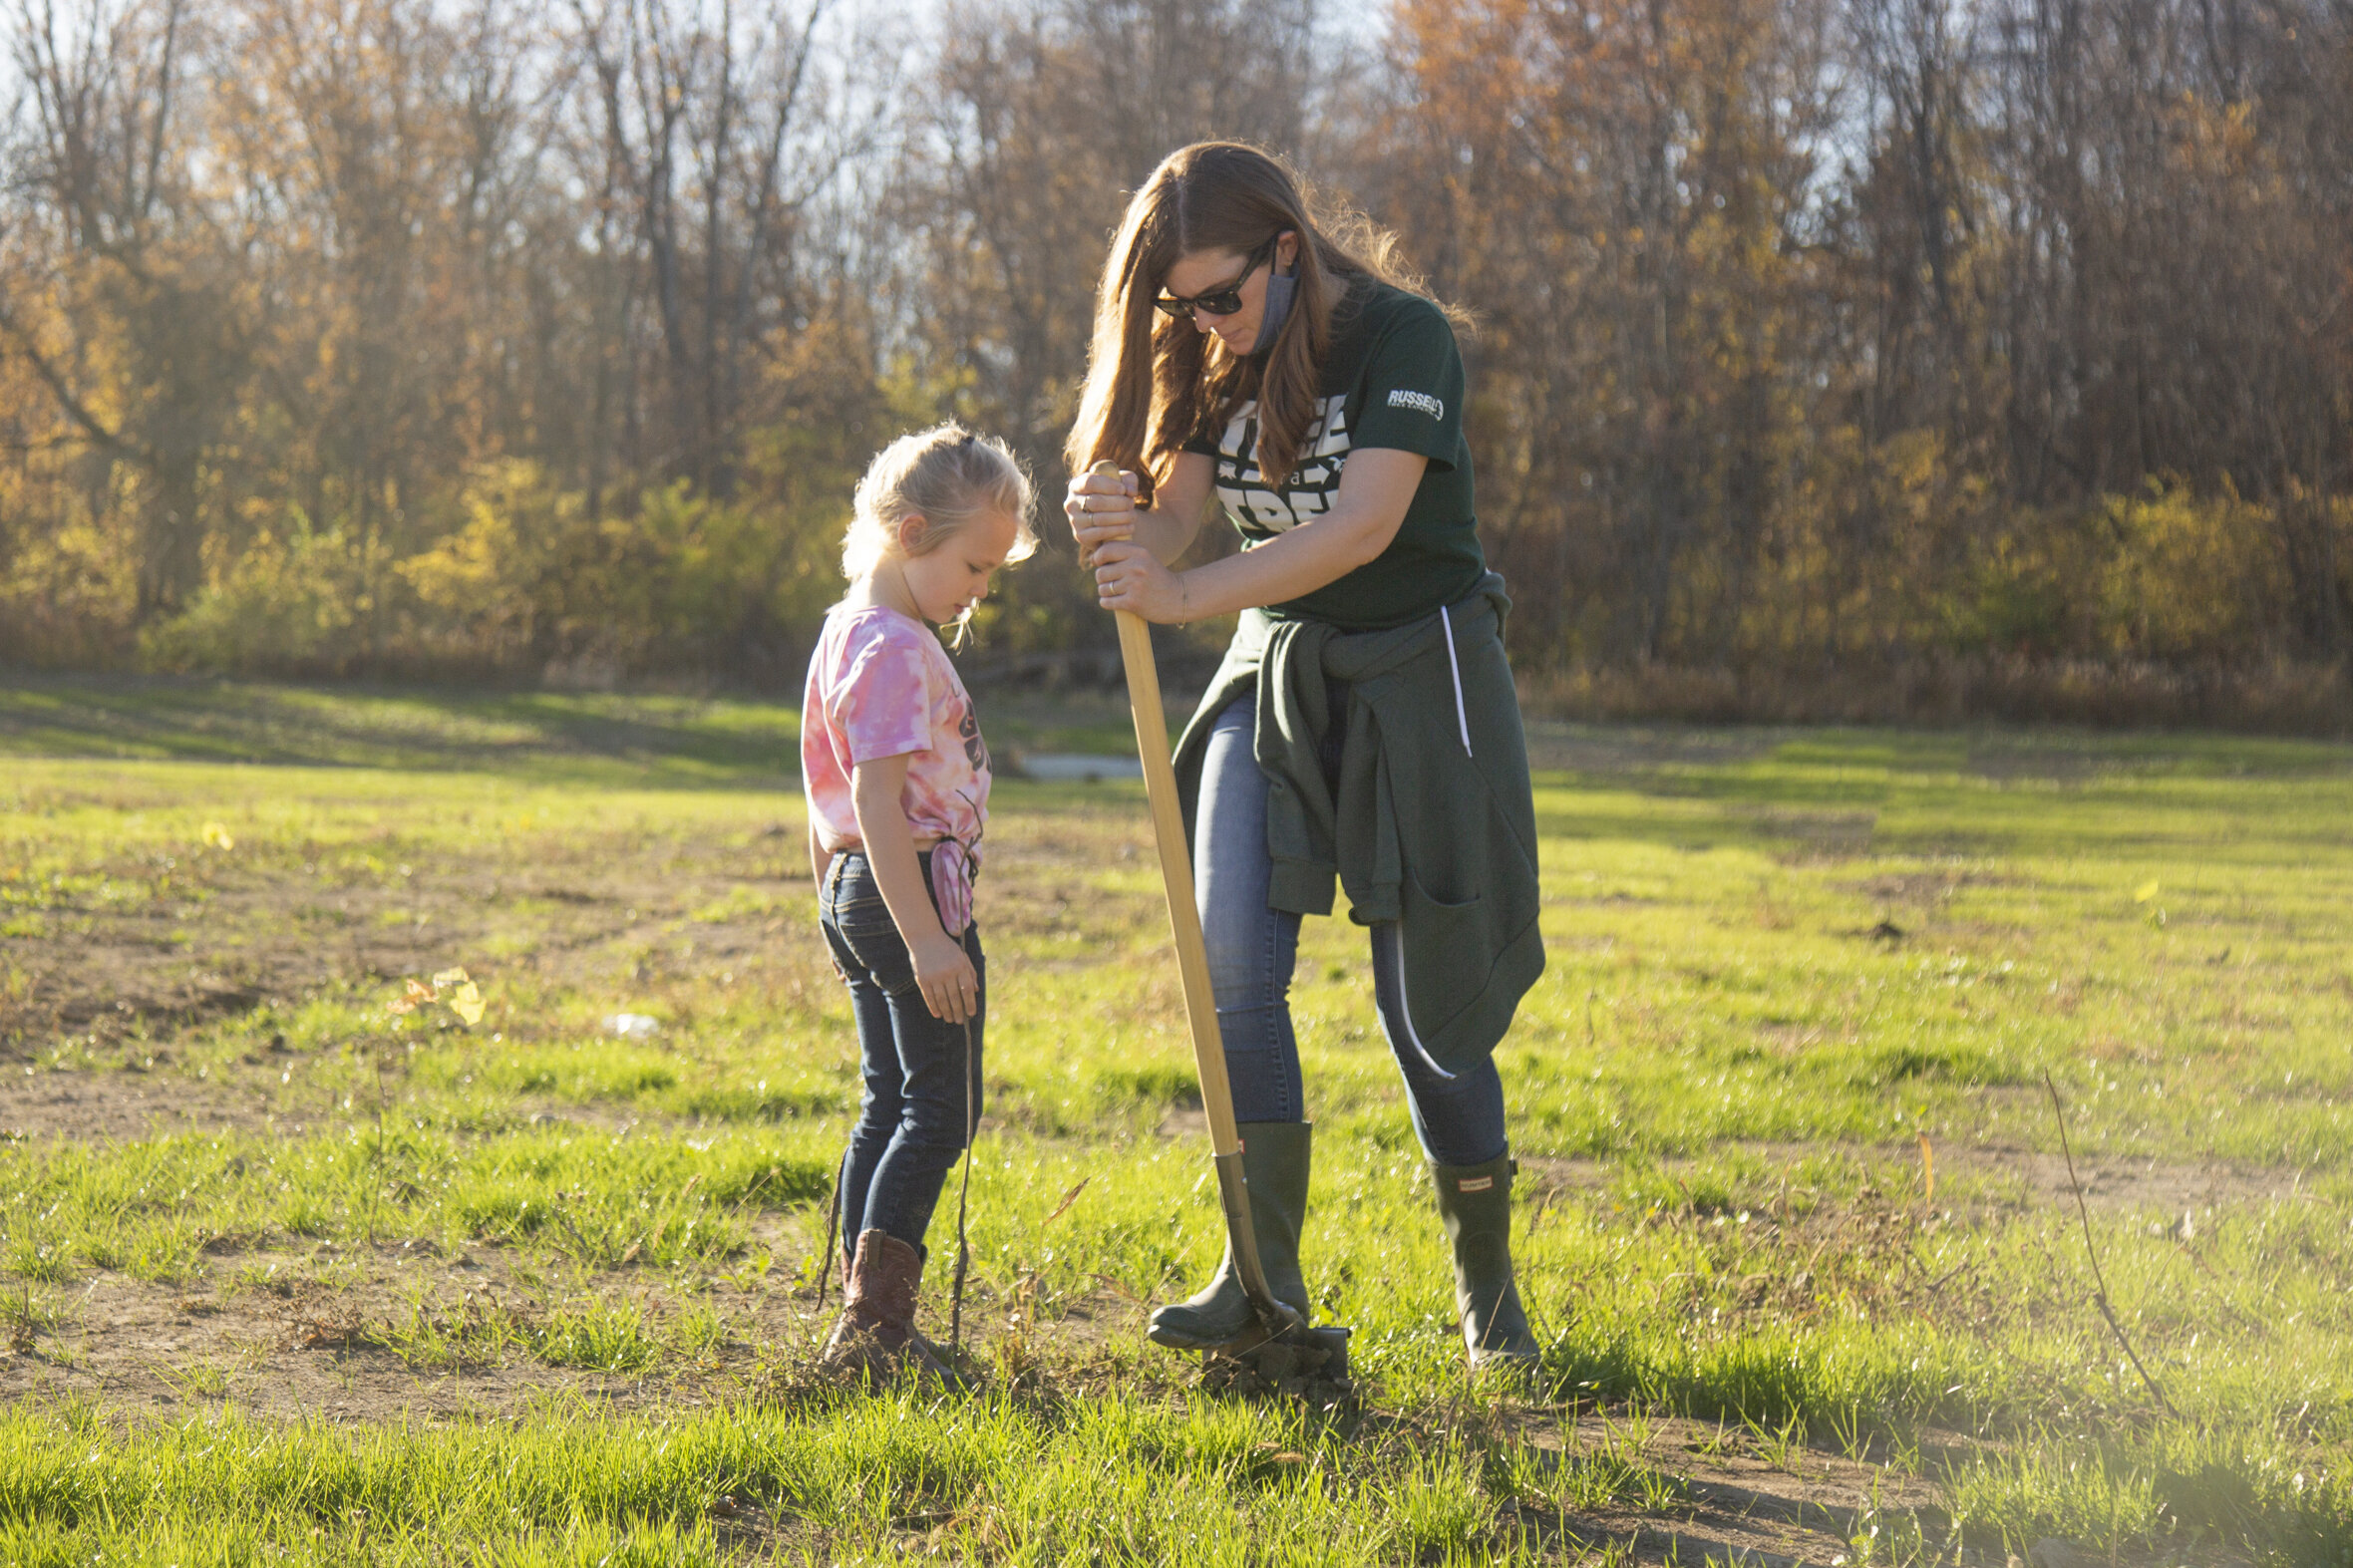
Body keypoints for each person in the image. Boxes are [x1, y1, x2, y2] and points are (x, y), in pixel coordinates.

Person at [1064, 142, 1545, 1372]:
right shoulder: (1208, 347)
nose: (1202, 324)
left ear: (1287, 248)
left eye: (1218, 295)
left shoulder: (1404, 337)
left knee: (1425, 1010)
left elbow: (1363, 522)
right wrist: (1123, 524)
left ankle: (1486, 1291)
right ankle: (1260, 1273)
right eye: (1178, 305)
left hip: (1418, 673)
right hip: (1276, 669)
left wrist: (1183, 596)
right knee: (1227, 956)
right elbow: (1179, 513)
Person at [802, 423, 1037, 1379]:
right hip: (911, 894)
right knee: (939, 1110)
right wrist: (930, 941)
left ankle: (861, 1319)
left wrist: (831, 896)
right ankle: (873, 1332)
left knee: (886, 1101)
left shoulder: (843, 630)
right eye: (975, 566)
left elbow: (821, 786)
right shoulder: (895, 646)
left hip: (859, 889)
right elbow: (872, 796)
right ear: (909, 531)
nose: (981, 589)